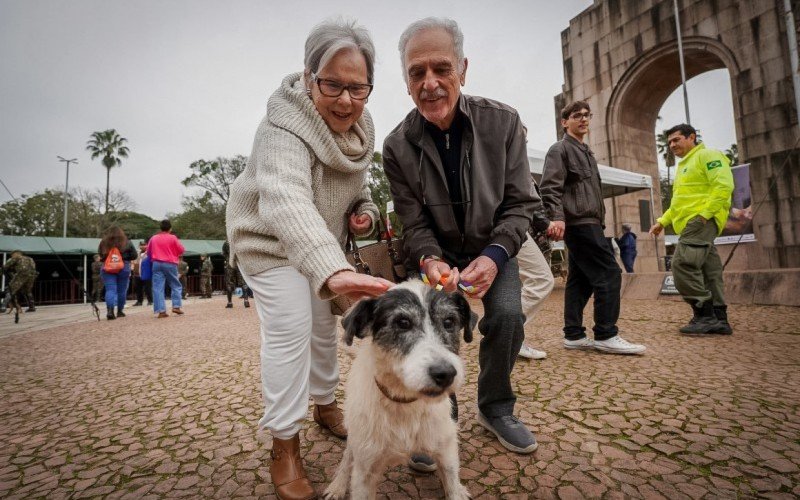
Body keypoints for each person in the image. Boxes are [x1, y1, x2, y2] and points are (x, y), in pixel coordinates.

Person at [225, 18, 393, 500]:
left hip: (325, 245)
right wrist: (334, 270)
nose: (345, 99)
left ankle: (324, 404)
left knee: (325, 327)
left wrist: (361, 214)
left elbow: (357, 193)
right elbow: (284, 199)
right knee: (294, 326)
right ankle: (285, 442)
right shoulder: (281, 123)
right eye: (332, 84)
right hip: (270, 243)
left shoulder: (361, 128)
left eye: (357, 87)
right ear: (308, 78)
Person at [383, 17, 538, 461]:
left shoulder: (504, 122)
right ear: (406, 80)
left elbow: (520, 202)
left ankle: (496, 407)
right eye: (417, 73)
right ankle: (435, 419)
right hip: (438, 253)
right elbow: (412, 221)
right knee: (429, 328)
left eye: (441, 69)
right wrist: (430, 259)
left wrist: (493, 256)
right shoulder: (396, 145)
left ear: (463, 70)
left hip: (496, 245)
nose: (430, 83)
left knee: (508, 317)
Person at [539, 100, 645, 355]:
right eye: (577, 116)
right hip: (579, 223)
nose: (584, 119)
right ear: (565, 122)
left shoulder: (587, 152)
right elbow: (549, 188)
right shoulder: (559, 150)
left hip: (591, 222)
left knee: (581, 279)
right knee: (609, 273)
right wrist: (557, 217)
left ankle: (574, 335)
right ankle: (606, 334)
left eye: (587, 115)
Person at [649, 123, 734, 334]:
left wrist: (705, 215)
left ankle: (704, 315)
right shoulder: (684, 165)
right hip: (693, 223)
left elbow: (723, 186)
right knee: (709, 270)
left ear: (692, 137)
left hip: (701, 221)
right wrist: (662, 221)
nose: (672, 145)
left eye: (676, 139)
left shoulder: (707, 155)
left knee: (682, 264)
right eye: (669, 142)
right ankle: (719, 319)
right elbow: (679, 204)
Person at [517, 180, 556, 361]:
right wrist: (545, 222)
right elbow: (522, 190)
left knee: (516, 284)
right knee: (541, 278)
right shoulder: (510, 153)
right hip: (510, 221)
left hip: (507, 219)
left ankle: (509, 337)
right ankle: (507, 335)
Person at [147, 219, 185, 318]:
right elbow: (181, 250)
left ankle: (161, 311)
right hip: (170, 263)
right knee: (175, 284)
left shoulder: (154, 238)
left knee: (157, 287)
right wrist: (173, 253)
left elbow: (148, 252)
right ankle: (176, 306)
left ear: (160, 228)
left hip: (156, 263)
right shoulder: (173, 238)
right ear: (170, 228)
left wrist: (153, 259)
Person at [97, 226, 138, 320]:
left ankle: (110, 311)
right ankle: (120, 311)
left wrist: (108, 259)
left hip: (108, 268)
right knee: (122, 290)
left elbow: (100, 254)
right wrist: (124, 258)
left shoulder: (104, 242)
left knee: (110, 289)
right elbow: (134, 255)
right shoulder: (127, 241)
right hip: (123, 267)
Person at [223, 240, 250, 308]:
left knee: (229, 283)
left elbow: (224, 253)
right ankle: (246, 301)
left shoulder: (226, 243)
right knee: (243, 283)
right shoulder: (240, 241)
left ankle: (230, 303)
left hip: (230, 263)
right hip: (239, 263)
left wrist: (229, 258)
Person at [132, 241, 153, 306]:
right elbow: (134, 262)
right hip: (137, 273)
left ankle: (150, 301)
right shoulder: (136, 253)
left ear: (147, 245)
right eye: (141, 245)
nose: (143, 246)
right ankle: (139, 301)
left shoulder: (149, 253)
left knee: (148, 288)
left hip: (146, 273)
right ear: (139, 246)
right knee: (138, 288)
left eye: (144, 245)